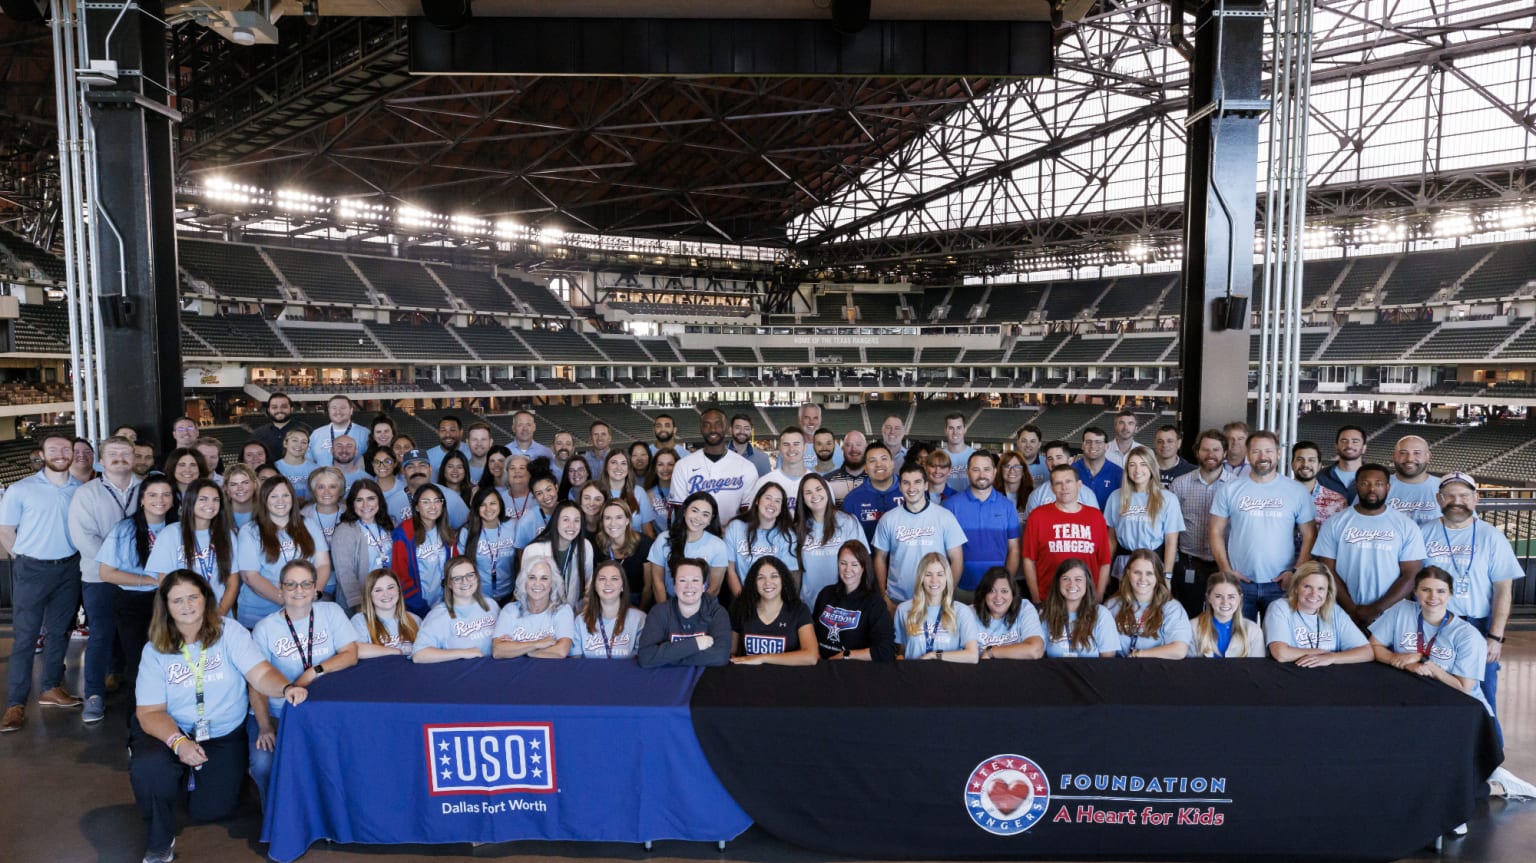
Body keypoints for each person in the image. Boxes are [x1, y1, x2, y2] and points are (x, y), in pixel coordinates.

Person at [129, 571, 304, 863]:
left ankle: (184, 779)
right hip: (170, 732)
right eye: (177, 600)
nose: (187, 606)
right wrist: (179, 743)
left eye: (193, 597)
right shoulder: (155, 649)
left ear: (206, 598)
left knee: (211, 810)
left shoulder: (230, 631)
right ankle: (159, 839)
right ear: (166, 606)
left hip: (222, 736)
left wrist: (285, 687)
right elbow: (149, 712)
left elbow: (259, 673)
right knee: (151, 770)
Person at [1367, 565, 1536, 805]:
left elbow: (1464, 688)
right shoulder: (1401, 611)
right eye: (1426, 590)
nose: (1432, 597)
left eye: (1440, 591)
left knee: (1440, 785)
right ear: (1415, 592)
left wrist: (1428, 663)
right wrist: (1401, 662)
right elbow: (1374, 646)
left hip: (1463, 709)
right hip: (1418, 701)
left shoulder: (1467, 635)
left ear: (1451, 594)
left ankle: (1497, 787)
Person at [248, 559, 358, 805]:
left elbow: (350, 654)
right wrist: (265, 726)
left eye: (306, 584)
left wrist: (311, 673)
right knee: (264, 764)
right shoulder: (264, 628)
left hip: (324, 711)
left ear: (315, 588)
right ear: (280, 588)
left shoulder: (331, 613)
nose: (299, 591)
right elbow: (255, 683)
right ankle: (275, 821)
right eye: (292, 584)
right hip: (280, 713)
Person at [1, 433, 86, 730]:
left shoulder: (81, 489)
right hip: (32, 570)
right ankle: (15, 704)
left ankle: (50, 687)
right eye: (54, 449)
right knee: (25, 639)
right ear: (42, 454)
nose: (61, 454)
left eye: (66, 449)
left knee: (60, 632)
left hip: (69, 569)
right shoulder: (21, 489)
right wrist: (26, 558)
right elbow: (5, 530)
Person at [1422, 472, 1520, 713]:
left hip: (1476, 626)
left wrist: (1495, 637)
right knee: (1430, 695)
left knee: (1483, 701)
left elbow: (1503, 590)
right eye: (1450, 496)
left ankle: (1492, 750)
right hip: (1431, 626)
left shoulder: (1492, 537)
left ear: (1476, 499)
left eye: (1465, 496)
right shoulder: (1422, 533)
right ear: (1439, 499)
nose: (1458, 501)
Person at [67, 435, 141, 722]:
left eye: (126, 452)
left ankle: (142, 695)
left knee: (141, 636)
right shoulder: (86, 493)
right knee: (101, 635)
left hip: (140, 579)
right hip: (99, 577)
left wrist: (135, 570)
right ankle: (94, 695)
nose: (120, 457)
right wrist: (120, 566)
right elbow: (84, 538)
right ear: (101, 459)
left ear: (134, 457)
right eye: (113, 453)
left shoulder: (147, 488)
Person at [93, 476, 177, 721]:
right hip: (133, 604)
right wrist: (151, 581)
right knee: (138, 664)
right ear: (142, 500)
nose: (159, 500)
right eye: (152, 495)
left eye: (165, 495)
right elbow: (106, 573)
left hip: (169, 603)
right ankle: (138, 720)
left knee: (171, 660)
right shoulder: (124, 529)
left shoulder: (178, 528)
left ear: (173, 500)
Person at [1209, 430, 1316, 621]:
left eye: (1268, 451)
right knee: (1240, 645)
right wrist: (1225, 570)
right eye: (1256, 451)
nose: (1262, 457)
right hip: (1239, 583)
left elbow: (1309, 534)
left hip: (1281, 584)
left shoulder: (1297, 491)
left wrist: (1296, 572)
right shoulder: (1229, 489)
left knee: (1278, 645)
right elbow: (1215, 531)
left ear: (1278, 454)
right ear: (1248, 455)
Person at [1313, 463, 1425, 627]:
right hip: (1343, 613)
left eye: (1378, 484)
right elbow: (1327, 569)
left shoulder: (1406, 525)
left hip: (1391, 614)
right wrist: (1352, 610)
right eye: (1365, 483)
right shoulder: (1334, 523)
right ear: (1357, 485)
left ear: (1388, 487)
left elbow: (1411, 575)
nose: (1372, 489)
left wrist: (1376, 609)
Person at [236, 476, 331, 630]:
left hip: (304, 610)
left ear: (292, 498)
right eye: (273, 496)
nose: (280, 501)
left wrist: (315, 593)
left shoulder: (308, 524)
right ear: (264, 500)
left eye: (285, 495)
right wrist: (288, 601)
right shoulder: (250, 531)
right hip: (260, 615)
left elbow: (323, 563)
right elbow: (250, 576)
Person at [874, 462, 968, 605]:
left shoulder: (945, 517)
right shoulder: (888, 519)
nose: (911, 488)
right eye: (906, 483)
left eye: (917, 482)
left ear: (925, 485)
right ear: (899, 487)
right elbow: (880, 559)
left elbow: (957, 559)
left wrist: (946, 595)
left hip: (934, 600)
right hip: (898, 600)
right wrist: (885, 598)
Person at [146, 479, 239, 618]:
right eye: (203, 499)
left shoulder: (226, 534)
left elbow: (233, 582)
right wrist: (185, 615)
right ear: (190, 501)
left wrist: (218, 615)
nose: (210, 504)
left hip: (219, 614)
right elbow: (164, 582)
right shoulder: (170, 534)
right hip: (182, 615)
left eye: (216, 500)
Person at [1022, 464, 1112, 604]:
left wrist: (1098, 596)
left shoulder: (1095, 517)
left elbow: (1104, 562)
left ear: (1079, 485)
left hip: (1086, 599)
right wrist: (1036, 597)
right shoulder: (1037, 516)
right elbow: (1029, 560)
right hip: (1048, 599)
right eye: (1058, 483)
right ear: (1052, 488)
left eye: (1068, 481)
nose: (1064, 487)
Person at [1262, 560, 1373, 666]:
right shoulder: (1280, 608)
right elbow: (1281, 654)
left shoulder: (1334, 611)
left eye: (1321, 588)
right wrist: (1320, 653)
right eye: (1307, 587)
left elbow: (1367, 652)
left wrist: (1332, 657)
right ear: (1296, 588)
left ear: (1327, 592)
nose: (1314, 594)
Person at [944, 450, 1021, 596]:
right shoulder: (950, 506)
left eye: (986, 469)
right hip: (960, 588)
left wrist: (1006, 585)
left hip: (996, 592)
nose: (981, 475)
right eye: (975, 469)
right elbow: (943, 552)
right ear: (968, 472)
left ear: (994, 471)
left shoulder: (1007, 506)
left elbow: (1014, 549)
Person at [1169, 429, 1229, 616]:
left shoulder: (1236, 486)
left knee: (1222, 615)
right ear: (1197, 452)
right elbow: (1171, 527)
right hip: (1189, 562)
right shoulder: (1179, 484)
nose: (1211, 454)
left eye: (1216, 450)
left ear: (1225, 453)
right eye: (1205, 449)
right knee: (1189, 614)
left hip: (1225, 564)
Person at [1103, 446, 1184, 579]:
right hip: (1124, 564)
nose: (1137, 470)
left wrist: (1167, 576)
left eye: (1143, 464)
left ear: (1151, 467)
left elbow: (1171, 541)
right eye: (1132, 465)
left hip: (1153, 565)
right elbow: (1111, 539)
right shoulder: (1116, 496)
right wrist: (1105, 571)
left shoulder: (1168, 499)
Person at [670, 406, 760, 525]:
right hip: (696, 536)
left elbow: (749, 512)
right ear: (701, 429)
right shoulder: (683, 466)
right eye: (706, 424)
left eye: (717, 424)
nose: (712, 429)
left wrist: (731, 531)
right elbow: (679, 511)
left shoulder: (747, 467)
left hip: (733, 537)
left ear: (726, 428)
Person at [636, 558, 732, 667]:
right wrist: (695, 644)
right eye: (682, 580)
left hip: (705, 678)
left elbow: (721, 657)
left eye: (695, 580)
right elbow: (646, 657)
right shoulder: (659, 612)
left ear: (703, 586)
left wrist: (668, 656)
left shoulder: (717, 613)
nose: (689, 586)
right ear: (674, 586)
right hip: (666, 678)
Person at [811, 541, 896, 661]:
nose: (847, 569)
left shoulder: (874, 603)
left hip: (853, 671)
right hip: (821, 668)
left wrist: (845, 655)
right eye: (843, 563)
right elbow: (811, 633)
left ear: (863, 568)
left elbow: (886, 650)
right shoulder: (826, 593)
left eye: (854, 564)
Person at [792, 473, 867, 604]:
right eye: (808, 492)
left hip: (845, 603)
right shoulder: (797, 529)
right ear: (802, 499)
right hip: (809, 604)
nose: (814, 495)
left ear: (827, 491)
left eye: (818, 489)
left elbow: (863, 562)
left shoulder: (848, 521)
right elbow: (794, 571)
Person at [1104, 550, 1192, 659]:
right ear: (1128, 573)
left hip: (1157, 670)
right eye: (1137, 572)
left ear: (1158, 576)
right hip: (1119, 669)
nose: (1142, 579)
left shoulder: (1172, 608)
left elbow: (1179, 650)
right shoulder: (1111, 605)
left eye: (1149, 573)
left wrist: (1139, 654)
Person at [731, 556, 818, 665]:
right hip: (749, 678)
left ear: (783, 580)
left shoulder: (799, 610)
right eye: (760, 578)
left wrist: (762, 658)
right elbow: (730, 653)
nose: (767, 582)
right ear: (753, 582)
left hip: (787, 678)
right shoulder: (741, 608)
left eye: (774, 576)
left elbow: (811, 656)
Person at [893, 552, 979, 662]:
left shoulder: (962, 611)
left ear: (947, 578)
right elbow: (901, 652)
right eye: (928, 574)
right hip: (914, 675)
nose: (934, 580)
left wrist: (935, 655)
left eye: (940, 574)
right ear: (921, 578)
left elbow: (972, 656)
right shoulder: (903, 609)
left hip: (950, 675)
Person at [390, 483, 459, 616]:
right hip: (415, 609)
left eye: (437, 501)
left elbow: (455, 567)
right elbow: (400, 577)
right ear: (416, 506)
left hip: (444, 606)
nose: (433, 506)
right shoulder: (404, 533)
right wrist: (422, 609)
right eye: (426, 502)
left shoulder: (446, 532)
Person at [412, 556, 500, 661]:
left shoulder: (491, 605)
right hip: (460, 673)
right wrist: (464, 653)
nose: (465, 581)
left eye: (470, 575)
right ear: (449, 583)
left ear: (477, 577)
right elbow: (419, 655)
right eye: (457, 578)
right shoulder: (439, 615)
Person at [329, 479, 396, 613]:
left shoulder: (390, 524)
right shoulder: (345, 530)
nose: (365, 505)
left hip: (390, 597)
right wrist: (359, 605)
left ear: (379, 501)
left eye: (371, 498)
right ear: (352, 503)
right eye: (359, 500)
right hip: (362, 603)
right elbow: (345, 572)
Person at [647, 491, 730, 598]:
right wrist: (666, 611)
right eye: (695, 511)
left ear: (711, 520)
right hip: (669, 604)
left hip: (702, 606)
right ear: (685, 511)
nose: (698, 518)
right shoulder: (663, 539)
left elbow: (714, 588)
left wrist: (696, 611)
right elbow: (657, 581)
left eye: (705, 514)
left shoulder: (718, 545)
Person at [493, 555, 577, 658]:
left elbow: (561, 651)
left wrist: (523, 651)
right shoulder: (510, 610)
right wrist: (537, 644)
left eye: (544, 578)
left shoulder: (563, 611)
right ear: (524, 582)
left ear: (551, 584)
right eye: (532, 577)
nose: (537, 583)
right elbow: (498, 651)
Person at [724, 482, 797, 597]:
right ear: (757, 500)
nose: (772, 504)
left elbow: (789, 575)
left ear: (782, 508)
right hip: (743, 597)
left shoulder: (787, 535)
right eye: (768, 498)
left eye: (778, 501)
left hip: (774, 599)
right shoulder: (736, 527)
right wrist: (743, 602)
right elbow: (731, 571)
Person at [1040, 558, 1119, 658]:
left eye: (1078, 579)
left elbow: (1108, 660)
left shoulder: (1101, 614)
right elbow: (1039, 656)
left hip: (1091, 673)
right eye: (1065, 579)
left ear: (1087, 583)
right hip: (1054, 672)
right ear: (1058, 583)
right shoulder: (1046, 613)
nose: (1072, 584)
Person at [522, 500, 595, 606]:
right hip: (541, 611)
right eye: (566, 520)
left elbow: (589, 581)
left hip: (572, 612)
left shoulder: (585, 546)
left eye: (576, 520)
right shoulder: (534, 550)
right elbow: (524, 587)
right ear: (556, 521)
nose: (571, 525)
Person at [575, 559, 647, 658]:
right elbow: (575, 664)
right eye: (602, 578)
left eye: (614, 578)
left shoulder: (640, 619)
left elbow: (643, 659)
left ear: (622, 586)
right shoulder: (580, 621)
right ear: (595, 586)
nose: (608, 583)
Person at [970, 567, 1045, 660]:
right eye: (991, 591)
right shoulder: (969, 613)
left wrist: (991, 652)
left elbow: (1035, 650)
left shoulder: (1024, 608)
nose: (998, 597)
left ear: (1013, 594)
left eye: (1004, 591)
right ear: (984, 594)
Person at [459, 486, 517, 604]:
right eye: (483, 504)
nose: (488, 508)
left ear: (500, 505)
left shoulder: (512, 526)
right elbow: (460, 566)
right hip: (478, 596)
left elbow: (522, 558)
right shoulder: (467, 531)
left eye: (492, 503)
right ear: (476, 508)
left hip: (509, 595)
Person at [593, 499, 655, 606]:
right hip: (608, 600)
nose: (613, 523)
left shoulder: (644, 544)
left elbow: (648, 587)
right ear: (602, 522)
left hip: (638, 601)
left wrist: (639, 613)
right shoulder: (597, 545)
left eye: (619, 517)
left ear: (627, 520)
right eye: (608, 518)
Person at [1187, 572, 1264, 658]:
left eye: (1231, 597)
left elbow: (1257, 669)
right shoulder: (1192, 627)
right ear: (1208, 597)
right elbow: (1188, 668)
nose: (1225, 602)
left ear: (1240, 599)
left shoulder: (1253, 631)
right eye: (1218, 596)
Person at [840, 441, 901, 541]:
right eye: (872, 460)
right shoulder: (853, 499)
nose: (879, 464)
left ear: (892, 463)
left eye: (884, 459)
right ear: (865, 468)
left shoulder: (910, 490)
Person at [352, 569, 421, 657]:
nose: (386, 594)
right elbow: (356, 650)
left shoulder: (415, 619)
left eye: (390, 587)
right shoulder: (359, 621)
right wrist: (398, 651)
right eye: (378, 590)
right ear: (369, 595)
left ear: (398, 590)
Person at [1023, 440, 1099, 518]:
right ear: (1046, 463)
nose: (1054, 463)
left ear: (1070, 460)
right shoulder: (1037, 495)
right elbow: (1030, 526)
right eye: (1050, 459)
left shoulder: (1087, 494)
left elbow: (1095, 524)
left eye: (1059, 457)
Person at [597, 449, 658, 537]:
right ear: (606, 467)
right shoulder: (597, 492)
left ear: (629, 468)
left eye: (623, 463)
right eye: (614, 462)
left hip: (636, 546)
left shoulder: (639, 492)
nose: (619, 467)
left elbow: (648, 530)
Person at [1291, 440, 1349, 530]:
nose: (1305, 464)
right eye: (1300, 459)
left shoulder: (1337, 501)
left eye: (1311, 460)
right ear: (1292, 464)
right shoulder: (1278, 497)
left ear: (1319, 466)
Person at [752, 426, 809, 514]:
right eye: (786, 444)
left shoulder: (819, 484)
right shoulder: (764, 482)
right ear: (779, 448)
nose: (791, 449)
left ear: (805, 448)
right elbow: (752, 518)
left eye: (796, 444)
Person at [1386, 434, 1441, 525]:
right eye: (1403, 453)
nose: (1410, 459)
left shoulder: (1444, 487)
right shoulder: (1377, 486)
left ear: (1428, 457)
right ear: (1394, 456)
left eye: (1417, 453)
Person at [307, 394, 370, 467]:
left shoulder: (365, 434)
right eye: (334, 408)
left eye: (343, 408)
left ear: (351, 410)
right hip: (323, 477)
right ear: (329, 411)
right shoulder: (316, 434)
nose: (338, 411)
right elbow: (308, 462)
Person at [1074, 426, 1123, 508]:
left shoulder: (1119, 473)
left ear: (1106, 446)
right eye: (1088, 442)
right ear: (1082, 445)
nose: (1093, 446)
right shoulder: (1071, 471)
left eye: (1098, 442)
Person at [1318, 424, 1366, 506]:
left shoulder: (1375, 478)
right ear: (1336, 446)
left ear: (1364, 448)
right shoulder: (1320, 477)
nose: (1349, 445)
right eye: (1344, 441)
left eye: (1355, 441)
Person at [301, 466, 346, 548]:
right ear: (314, 491)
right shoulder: (303, 515)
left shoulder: (349, 512)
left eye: (332, 486)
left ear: (340, 490)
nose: (327, 492)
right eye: (321, 487)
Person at [366, 446, 412, 524]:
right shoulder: (366, 490)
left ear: (395, 463)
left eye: (387, 461)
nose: (382, 465)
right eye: (377, 462)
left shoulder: (406, 489)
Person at [251, 392, 297, 465]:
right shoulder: (257, 434)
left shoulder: (306, 431)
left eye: (284, 407)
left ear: (291, 409)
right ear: (268, 410)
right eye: (274, 407)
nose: (279, 410)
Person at [824, 429, 868, 501]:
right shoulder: (827, 481)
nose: (854, 449)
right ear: (842, 449)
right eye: (848, 445)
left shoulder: (877, 479)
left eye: (858, 444)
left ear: (866, 448)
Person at [641, 448, 677, 535]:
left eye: (670, 464)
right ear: (655, 468)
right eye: (660, 464)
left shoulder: (685, 492)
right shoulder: (647, 495)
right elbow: (647, 529)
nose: (666, 468)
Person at [274, 427, 315, 501]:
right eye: (295, 440)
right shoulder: (274, 467)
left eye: (304, 442)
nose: (299, 445)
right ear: (285, 443)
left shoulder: (315, 469)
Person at [994, 450, 1033, 527]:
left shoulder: (1033, 495)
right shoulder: (992, 495)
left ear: (1023, 471)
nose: (1012, 470)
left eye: (1017, 466)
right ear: (1001, 470)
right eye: (1007, 466)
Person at [939, 412, 974, 492]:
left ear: (965, 429)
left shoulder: (975, 456)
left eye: (959, 427)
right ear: (945, 431)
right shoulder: (939, 457)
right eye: (951, 428)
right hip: (945, 502)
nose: (955, 432)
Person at [222, 464, 258, 529]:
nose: (240, 488)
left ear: (255, 484)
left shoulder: (266, 512)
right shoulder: (219, 515)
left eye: (245, 482)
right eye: (233, 484)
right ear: (226, 488)